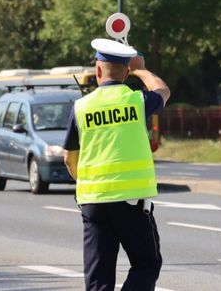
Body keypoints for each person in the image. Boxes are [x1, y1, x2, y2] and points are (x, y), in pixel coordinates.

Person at [63, 38, 171, 291]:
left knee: (98, 278)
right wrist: (141, 69)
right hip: (130, 202)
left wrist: (86, 182)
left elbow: (69, 156)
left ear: (98, 71)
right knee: (146, 265)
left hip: (93, 203)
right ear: (126, 72)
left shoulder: (81, 107)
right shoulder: (136, 101)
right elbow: (163, 91)